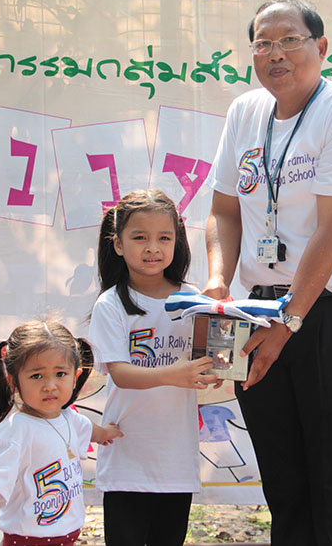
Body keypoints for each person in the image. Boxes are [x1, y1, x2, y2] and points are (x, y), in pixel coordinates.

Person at [203, 0, 332, 546]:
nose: (276, 54)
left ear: (321, 47)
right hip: (259, 309)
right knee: (283, 482)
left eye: (290, 40)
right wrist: (219, 284)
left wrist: (288, 323)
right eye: (263, 43)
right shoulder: (245, 112)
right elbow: (224, 210)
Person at [88, 189, 220, 546]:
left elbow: (208, 362)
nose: (152, 248)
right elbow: (120, 373)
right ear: (118, 244)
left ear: (178, 241)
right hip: (126, 458)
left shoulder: (194, 300)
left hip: (176, 460)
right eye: (139, 238)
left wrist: (215, 371)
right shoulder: (111, 304)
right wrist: (174, 375)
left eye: (164, 238)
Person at [0, 320, 122, 546]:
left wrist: (108, 432)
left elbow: (91, 431)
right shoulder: (16, 431)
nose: (50, 385)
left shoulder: (70, 418)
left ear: (75, 376)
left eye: (60, 373)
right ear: (13, 381)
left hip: (68, 536)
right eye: (37, 376)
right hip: (27, 540)